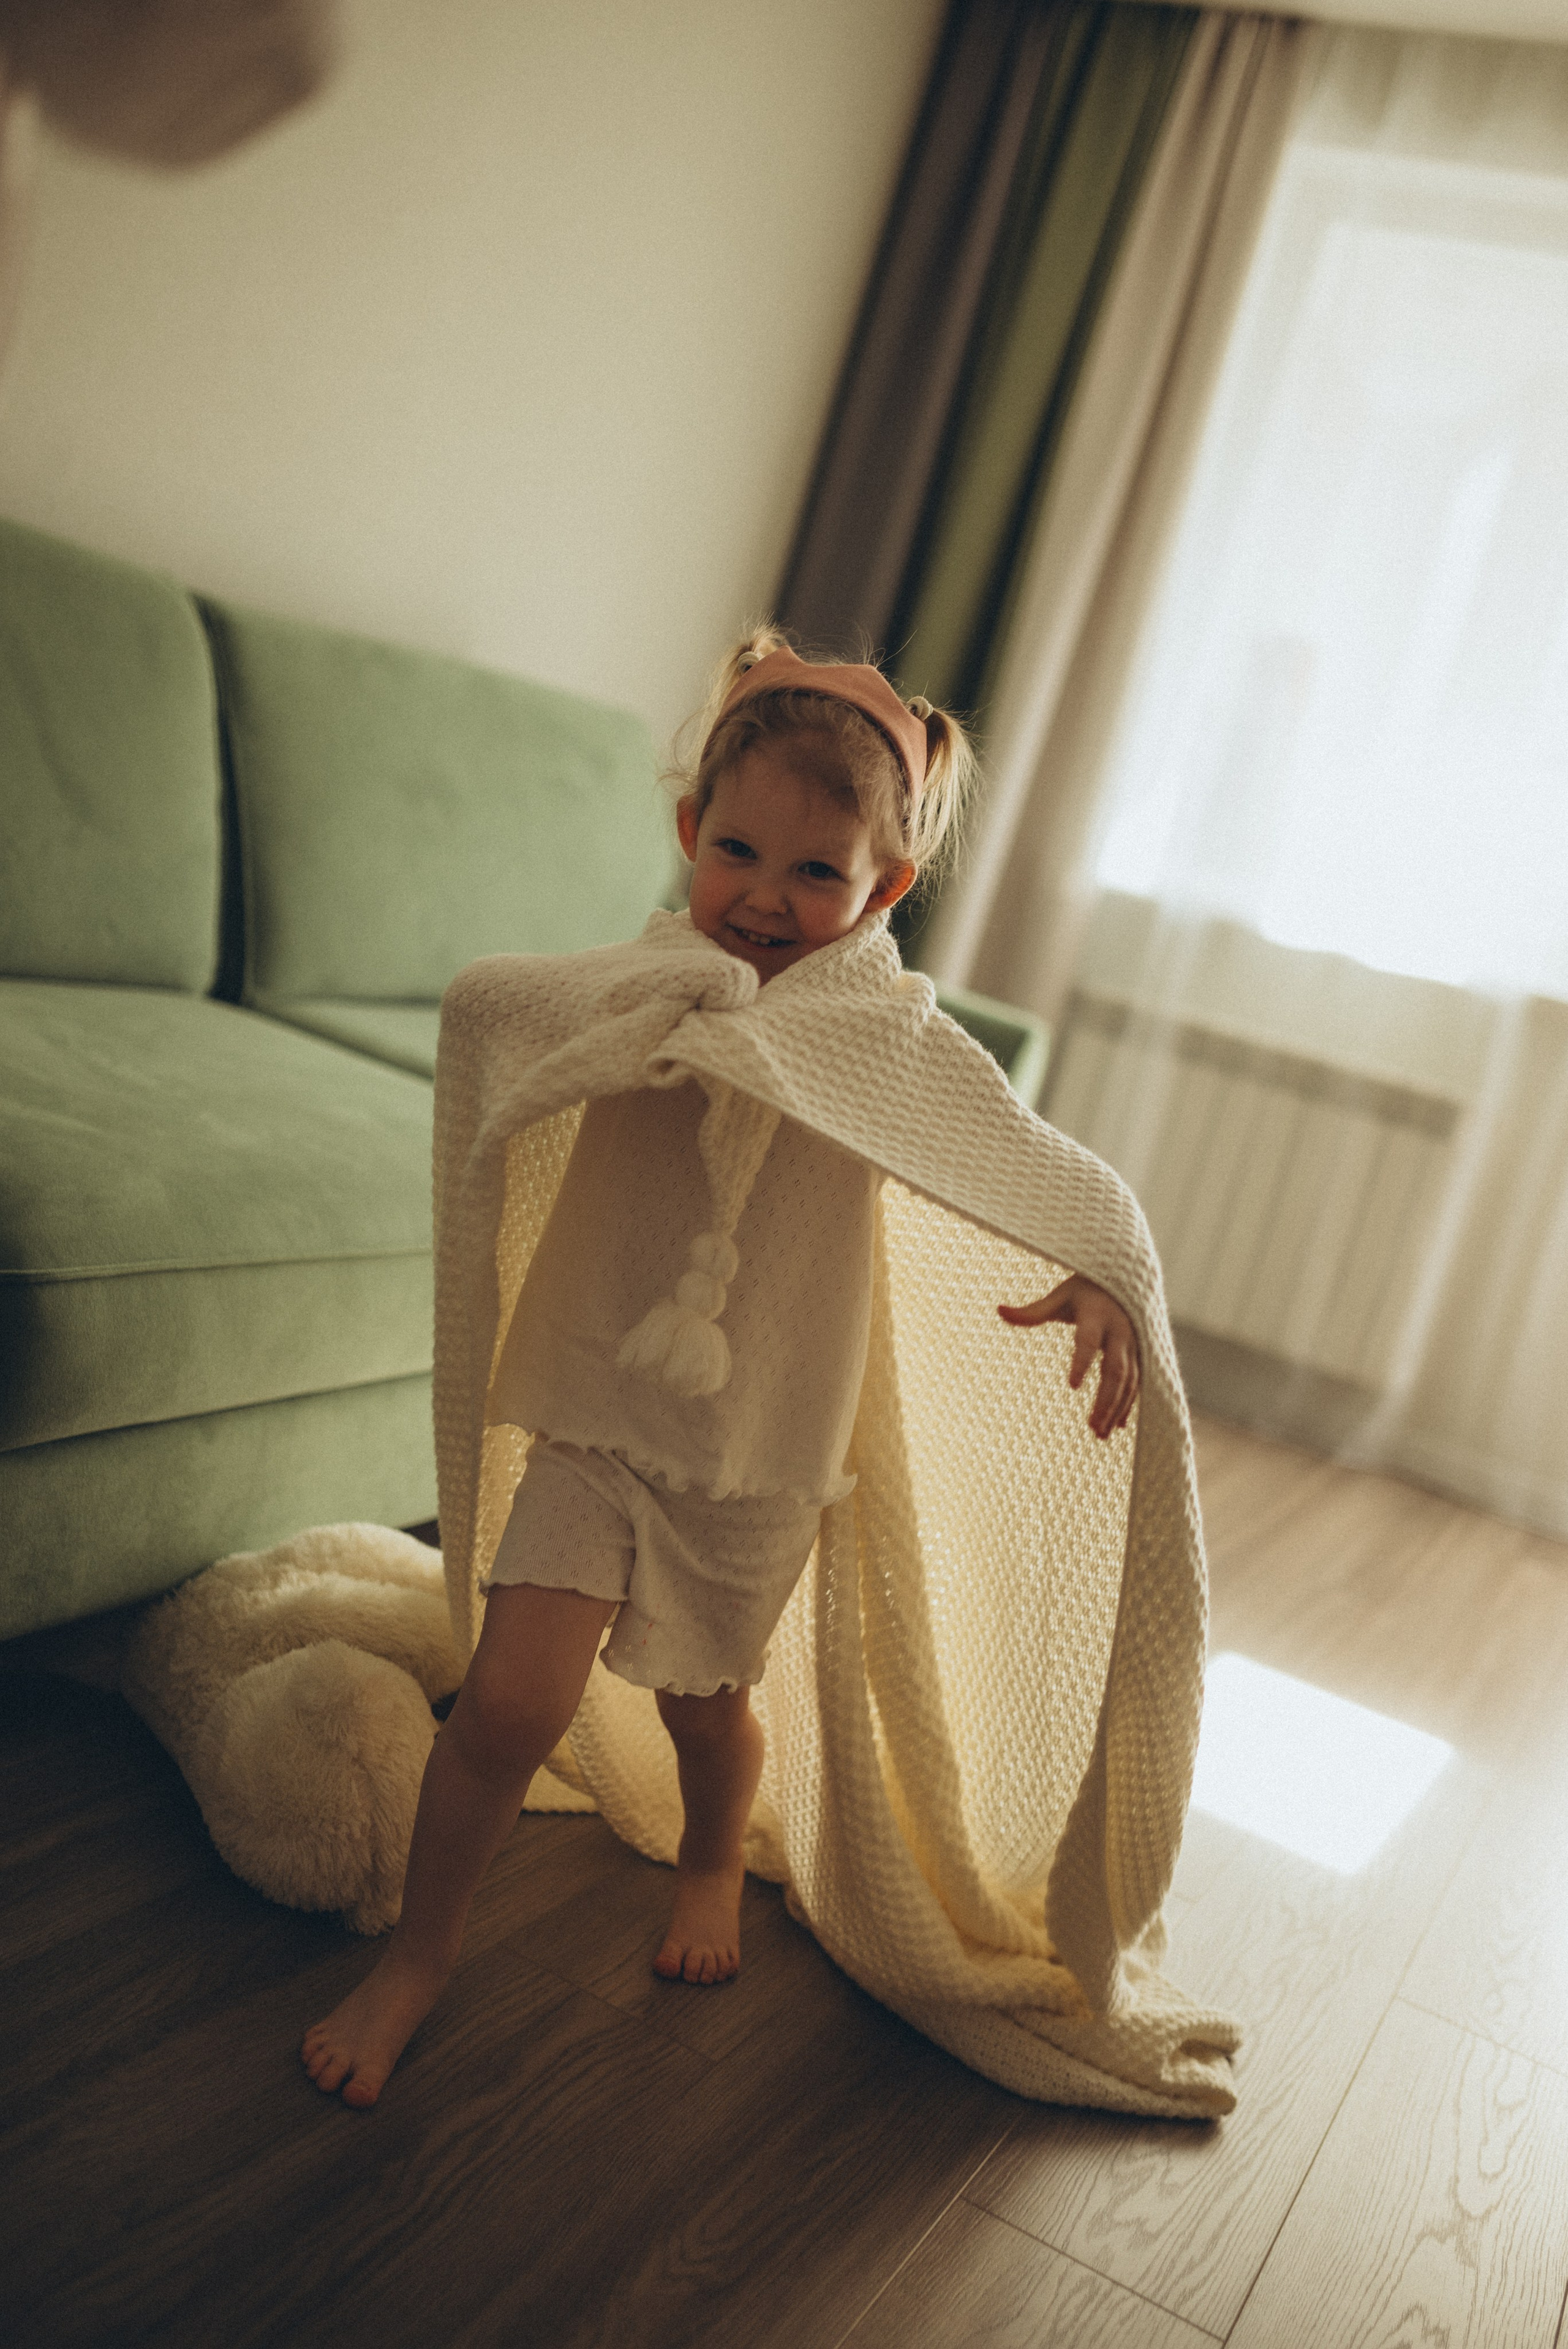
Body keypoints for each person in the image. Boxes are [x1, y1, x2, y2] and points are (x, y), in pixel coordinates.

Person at [302, 628, 1140, 2109]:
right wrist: (637, 1032)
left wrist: (1094, 1264)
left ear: (883, 888)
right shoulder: (651, 982)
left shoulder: (888, 1041)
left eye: (816, 872)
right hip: (594, 1410)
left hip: (756, 1452)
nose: (763, 895)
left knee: (707, 1708)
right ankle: (418, 1956)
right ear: (690, 830)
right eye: (737, 850)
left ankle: (708, 1855)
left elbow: (1027, 1163)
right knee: (507, 1704)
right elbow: (499, 1007)